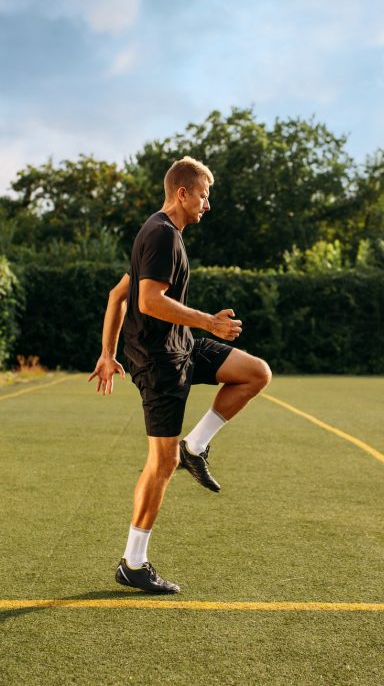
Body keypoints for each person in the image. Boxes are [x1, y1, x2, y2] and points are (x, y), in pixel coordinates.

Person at [89, 156, 272, 595]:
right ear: (183, 193)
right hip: (159, 363)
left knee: (254, 373)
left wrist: (106, 353)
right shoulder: (161, 235)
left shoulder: (160, 233)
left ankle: (197, 444)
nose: (208, 205)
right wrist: (209, 322)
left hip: (182, 347)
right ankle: (133, 563)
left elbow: (119, 296)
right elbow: (149, 302)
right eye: (205, 196)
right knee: (161, 463)